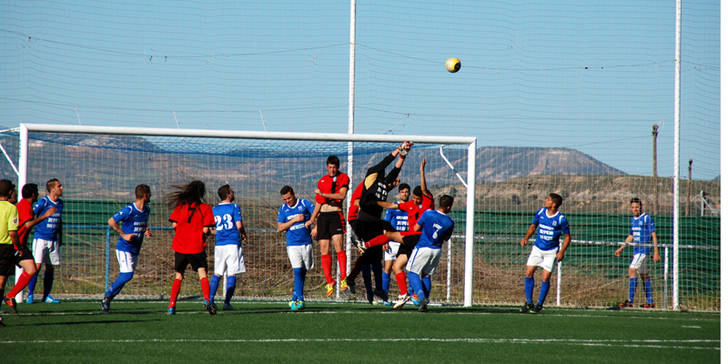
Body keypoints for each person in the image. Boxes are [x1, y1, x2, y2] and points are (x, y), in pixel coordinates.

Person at [345, 141, 411, 300]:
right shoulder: (371, 175)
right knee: (384, 240)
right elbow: (385, 162)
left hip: (374, 222)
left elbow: (396, 169)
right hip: (364, 221)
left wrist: (404, 154)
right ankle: (375, 285)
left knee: (373, 257)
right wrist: (398, 149)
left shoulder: (384, 183)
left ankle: (357, 280)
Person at [166, 180, 216, 315]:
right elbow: (206, 230)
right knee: (202, 273)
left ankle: (171, 305)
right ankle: (206, 300)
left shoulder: (181, 206)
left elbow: (174, 225)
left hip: (180, 245)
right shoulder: (205, 208)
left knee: (178, 275)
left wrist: (184, 231)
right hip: (196, 246)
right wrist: (209, 233)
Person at [100, 184, 152, 313]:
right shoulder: (129, 210)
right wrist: (123, 234)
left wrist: (146, 230)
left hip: (135, 248)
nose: (151, 196)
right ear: (145, 195)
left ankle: (108, 299)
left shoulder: (146, 210)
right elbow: (111, 221)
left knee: (127, 275)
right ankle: (107, 295)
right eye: (150, 194)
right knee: (127, 274)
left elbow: (141, 224)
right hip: (124, 248)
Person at [3, 184, 54, 312]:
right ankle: (10, 296)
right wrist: (45, 216)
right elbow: (27, 225)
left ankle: (10, 296)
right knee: (5, 277)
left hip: (18, 245)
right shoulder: (25, 205)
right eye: (36, 192)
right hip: (14, 245)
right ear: (33, 194)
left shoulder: (24, 206)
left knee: (30, 269)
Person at [390, 159, 434, 307]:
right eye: (413, 197)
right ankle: (408, 295)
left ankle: (419, 297)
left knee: (418, 272)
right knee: (398, 267)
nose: (413, 199)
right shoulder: (411, 205)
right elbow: (395, 205)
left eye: (416, 197)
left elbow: (424, 188)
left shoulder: (427, 203)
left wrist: (422, 171)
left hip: (418, 241)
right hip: (413, 241)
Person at [519, 193, 571, 313]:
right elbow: (533, 226)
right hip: (537, 248)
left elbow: (567, 237)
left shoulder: (561, 219)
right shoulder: (540, 212)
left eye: (547, 199)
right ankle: (529, 303)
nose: (545, 200)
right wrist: (526, 237)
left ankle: (539, 305)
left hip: (551, 251)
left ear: (553, 204)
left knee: (545, 277)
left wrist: (562, 251)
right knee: (528, 272)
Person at [405, 194, 455, 312]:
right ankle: (425, 300)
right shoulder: (450, 222)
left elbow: (416, 228)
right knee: (426, 275)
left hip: (422, 247)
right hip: (436, 250)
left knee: (412, 272)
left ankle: (421, 298)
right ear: (448, 207)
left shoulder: (428, 213)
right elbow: (447, 238)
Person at [310, 155, 350, 297]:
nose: (332, 170)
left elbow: (341, 195)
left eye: (334, 167)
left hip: (335, 215)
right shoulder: (322, 180)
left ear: (338, 167)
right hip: (323, 217)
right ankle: (329, 281)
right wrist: (312, 221)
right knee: (323, 249)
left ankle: (343, 278)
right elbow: (319, 203)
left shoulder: (343, 178)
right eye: (330, 167)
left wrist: (324, 194)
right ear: (327, 167)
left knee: (338, 245)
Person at [614, 197, 660, 309]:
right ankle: (650, 302)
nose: (635, 209)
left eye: (637, 207)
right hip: (636, 251)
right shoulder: (633, 220)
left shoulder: (646, 218)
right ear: (630, 208)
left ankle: (630, 301)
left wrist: (656, 251)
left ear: (641, 207)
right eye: (633, 207)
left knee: (632, 269)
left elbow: (653, 234)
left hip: (644, 249)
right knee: (644, 275)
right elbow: (631, 236)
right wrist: (621, 248)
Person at [209, 185, 248, 311]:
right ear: (228, 194)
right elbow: (239, 225)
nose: (233, 192)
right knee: (232, 273)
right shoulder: (234, 207)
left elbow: (211, 229)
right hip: (232, 243)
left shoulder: (214, 209)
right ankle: (227, 303)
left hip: (220, 244)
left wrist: (221, 232)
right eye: (232, 191)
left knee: (217, 273)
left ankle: (210, 299)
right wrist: (243, 233)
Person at [277, 185, 315, 311]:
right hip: (292, 244)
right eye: (285, 199)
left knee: (304, 269)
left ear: (293, 194)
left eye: (289, 198)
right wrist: (294, 220)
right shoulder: (283, 209)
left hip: (306, 243)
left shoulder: (304, 203)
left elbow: (317, 213)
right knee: (297, 270)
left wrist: (316, 227)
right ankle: (299, 299)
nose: (287, 201)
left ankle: (295, 295)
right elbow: (280, 228)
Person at [26, 178, 64, 304]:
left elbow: (59, 222)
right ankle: (30, 294)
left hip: (53, 240)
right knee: (36, 267)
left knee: (50, 268)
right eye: (59, 186)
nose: (61, 188)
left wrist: (60, 237)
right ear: (53, 189)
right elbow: (31, 215)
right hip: (41, 238)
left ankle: (46, 295)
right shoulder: (43, 202)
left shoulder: (61, 203)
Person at [0, 181, 22, 322]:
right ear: (9, 193)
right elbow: (12, 233)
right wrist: (19, 247)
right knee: (1, 282)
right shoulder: (11, 208)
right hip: (4, 248)